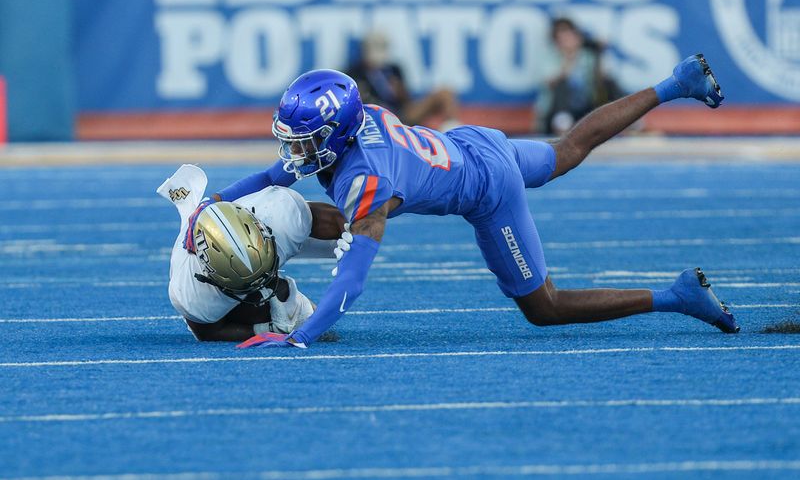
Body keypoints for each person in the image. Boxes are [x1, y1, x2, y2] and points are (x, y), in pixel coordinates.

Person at [205, 53, 736, 349]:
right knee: (567, 150)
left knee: (544, 309)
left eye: (305, 139)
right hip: (470, 142)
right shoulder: (354, 121)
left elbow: (355, 278)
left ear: (335, 134)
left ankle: (678, 295)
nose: (295, 150)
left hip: (486, 188)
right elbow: (275, 174)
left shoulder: (363, 179)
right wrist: (215, 202)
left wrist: (302, 337)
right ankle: (675, 82)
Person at [157, 164, 346, 341]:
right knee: (300, 320)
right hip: (223, 292)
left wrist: (355, 259)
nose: (262, 282)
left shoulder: (277, 215)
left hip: (274, 234)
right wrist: (266, 330)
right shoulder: (191, 293)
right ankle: (271, 299)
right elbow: (208, 332)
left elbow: (342, 222)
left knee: (349, 237)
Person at [346, 31, 460, 129]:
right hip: (376, 117)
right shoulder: (355, 73)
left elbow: (407, 101)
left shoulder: (393, 69)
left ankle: (451, 132)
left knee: (445, 93)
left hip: (401, 114)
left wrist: (400, 92)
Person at [536, 17, 625, 136]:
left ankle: (629, 120)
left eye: (569, 35)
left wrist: (599, 53)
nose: (567, 40)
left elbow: (603, 78)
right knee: (562, 84)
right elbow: (550, 83)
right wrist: (569, 58)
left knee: (609, 83)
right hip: (556, 112)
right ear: (556, 40)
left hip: (585, 107)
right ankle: (562, 125)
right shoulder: (549, 56)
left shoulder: (587, 55)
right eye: (562, 37)